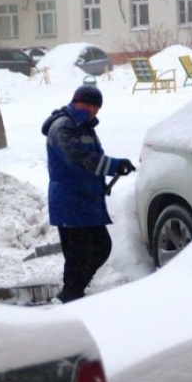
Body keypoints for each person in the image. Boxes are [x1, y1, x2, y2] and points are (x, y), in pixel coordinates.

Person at [41, 85, 136, 303]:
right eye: (90, 105)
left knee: (101, 247)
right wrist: (113, 165)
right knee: (78, 255)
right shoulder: (63, 127)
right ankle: (70, 295)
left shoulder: (84, 127)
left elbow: (93, 158)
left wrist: (114, 168)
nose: (94, 110)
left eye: (97, 107)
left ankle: (76, 288)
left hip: (86, 200)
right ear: (77, 102)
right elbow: (79, 157)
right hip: (70, 202)